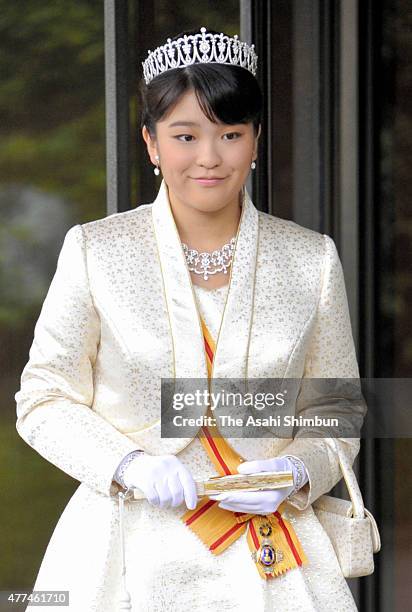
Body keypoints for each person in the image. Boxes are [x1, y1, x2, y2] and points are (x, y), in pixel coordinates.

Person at [15, 26, 362, 611]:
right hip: (129, 542)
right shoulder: (97, 249)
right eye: (185, 135)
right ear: (152, 144)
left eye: (230, 134)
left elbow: (337, 408)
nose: (209, 157)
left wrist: (295, 470)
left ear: (255, 141)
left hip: (266, 550)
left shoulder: (310, 259)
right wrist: (127, 465)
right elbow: (43, 398)